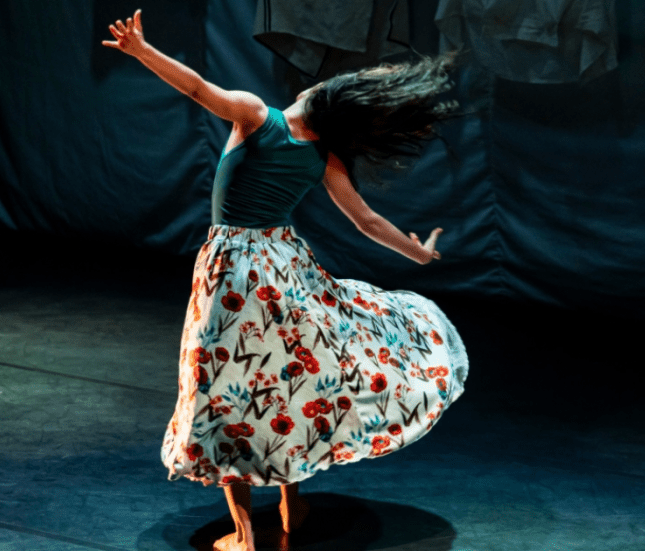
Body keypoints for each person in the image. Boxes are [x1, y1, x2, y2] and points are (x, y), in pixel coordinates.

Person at [104, 10, 468, 551]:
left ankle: (246, 535)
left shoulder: (257, 116)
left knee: (227, 390)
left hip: (233, 272)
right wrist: (415, 253)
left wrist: (141, 51)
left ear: (318, 95)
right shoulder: (325, 156)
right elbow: (366, 221)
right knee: (281, 382)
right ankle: (291, 508)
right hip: (283, 266)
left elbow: (199, 87)